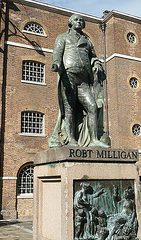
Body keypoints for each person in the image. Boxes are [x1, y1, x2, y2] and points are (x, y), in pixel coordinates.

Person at [49, 14, 111, 148]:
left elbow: (93, 57)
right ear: (70, 23)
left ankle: (94, 139)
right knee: (69, 108)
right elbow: (57, 53)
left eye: (81, 20)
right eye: (76, 20)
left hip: (84, 80)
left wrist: (97, 65)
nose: (79, 21)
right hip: (68, 76)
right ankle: (71, 140)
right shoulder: (63, 37)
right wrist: (56, 64)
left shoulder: (87, 41)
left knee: (92, 107)